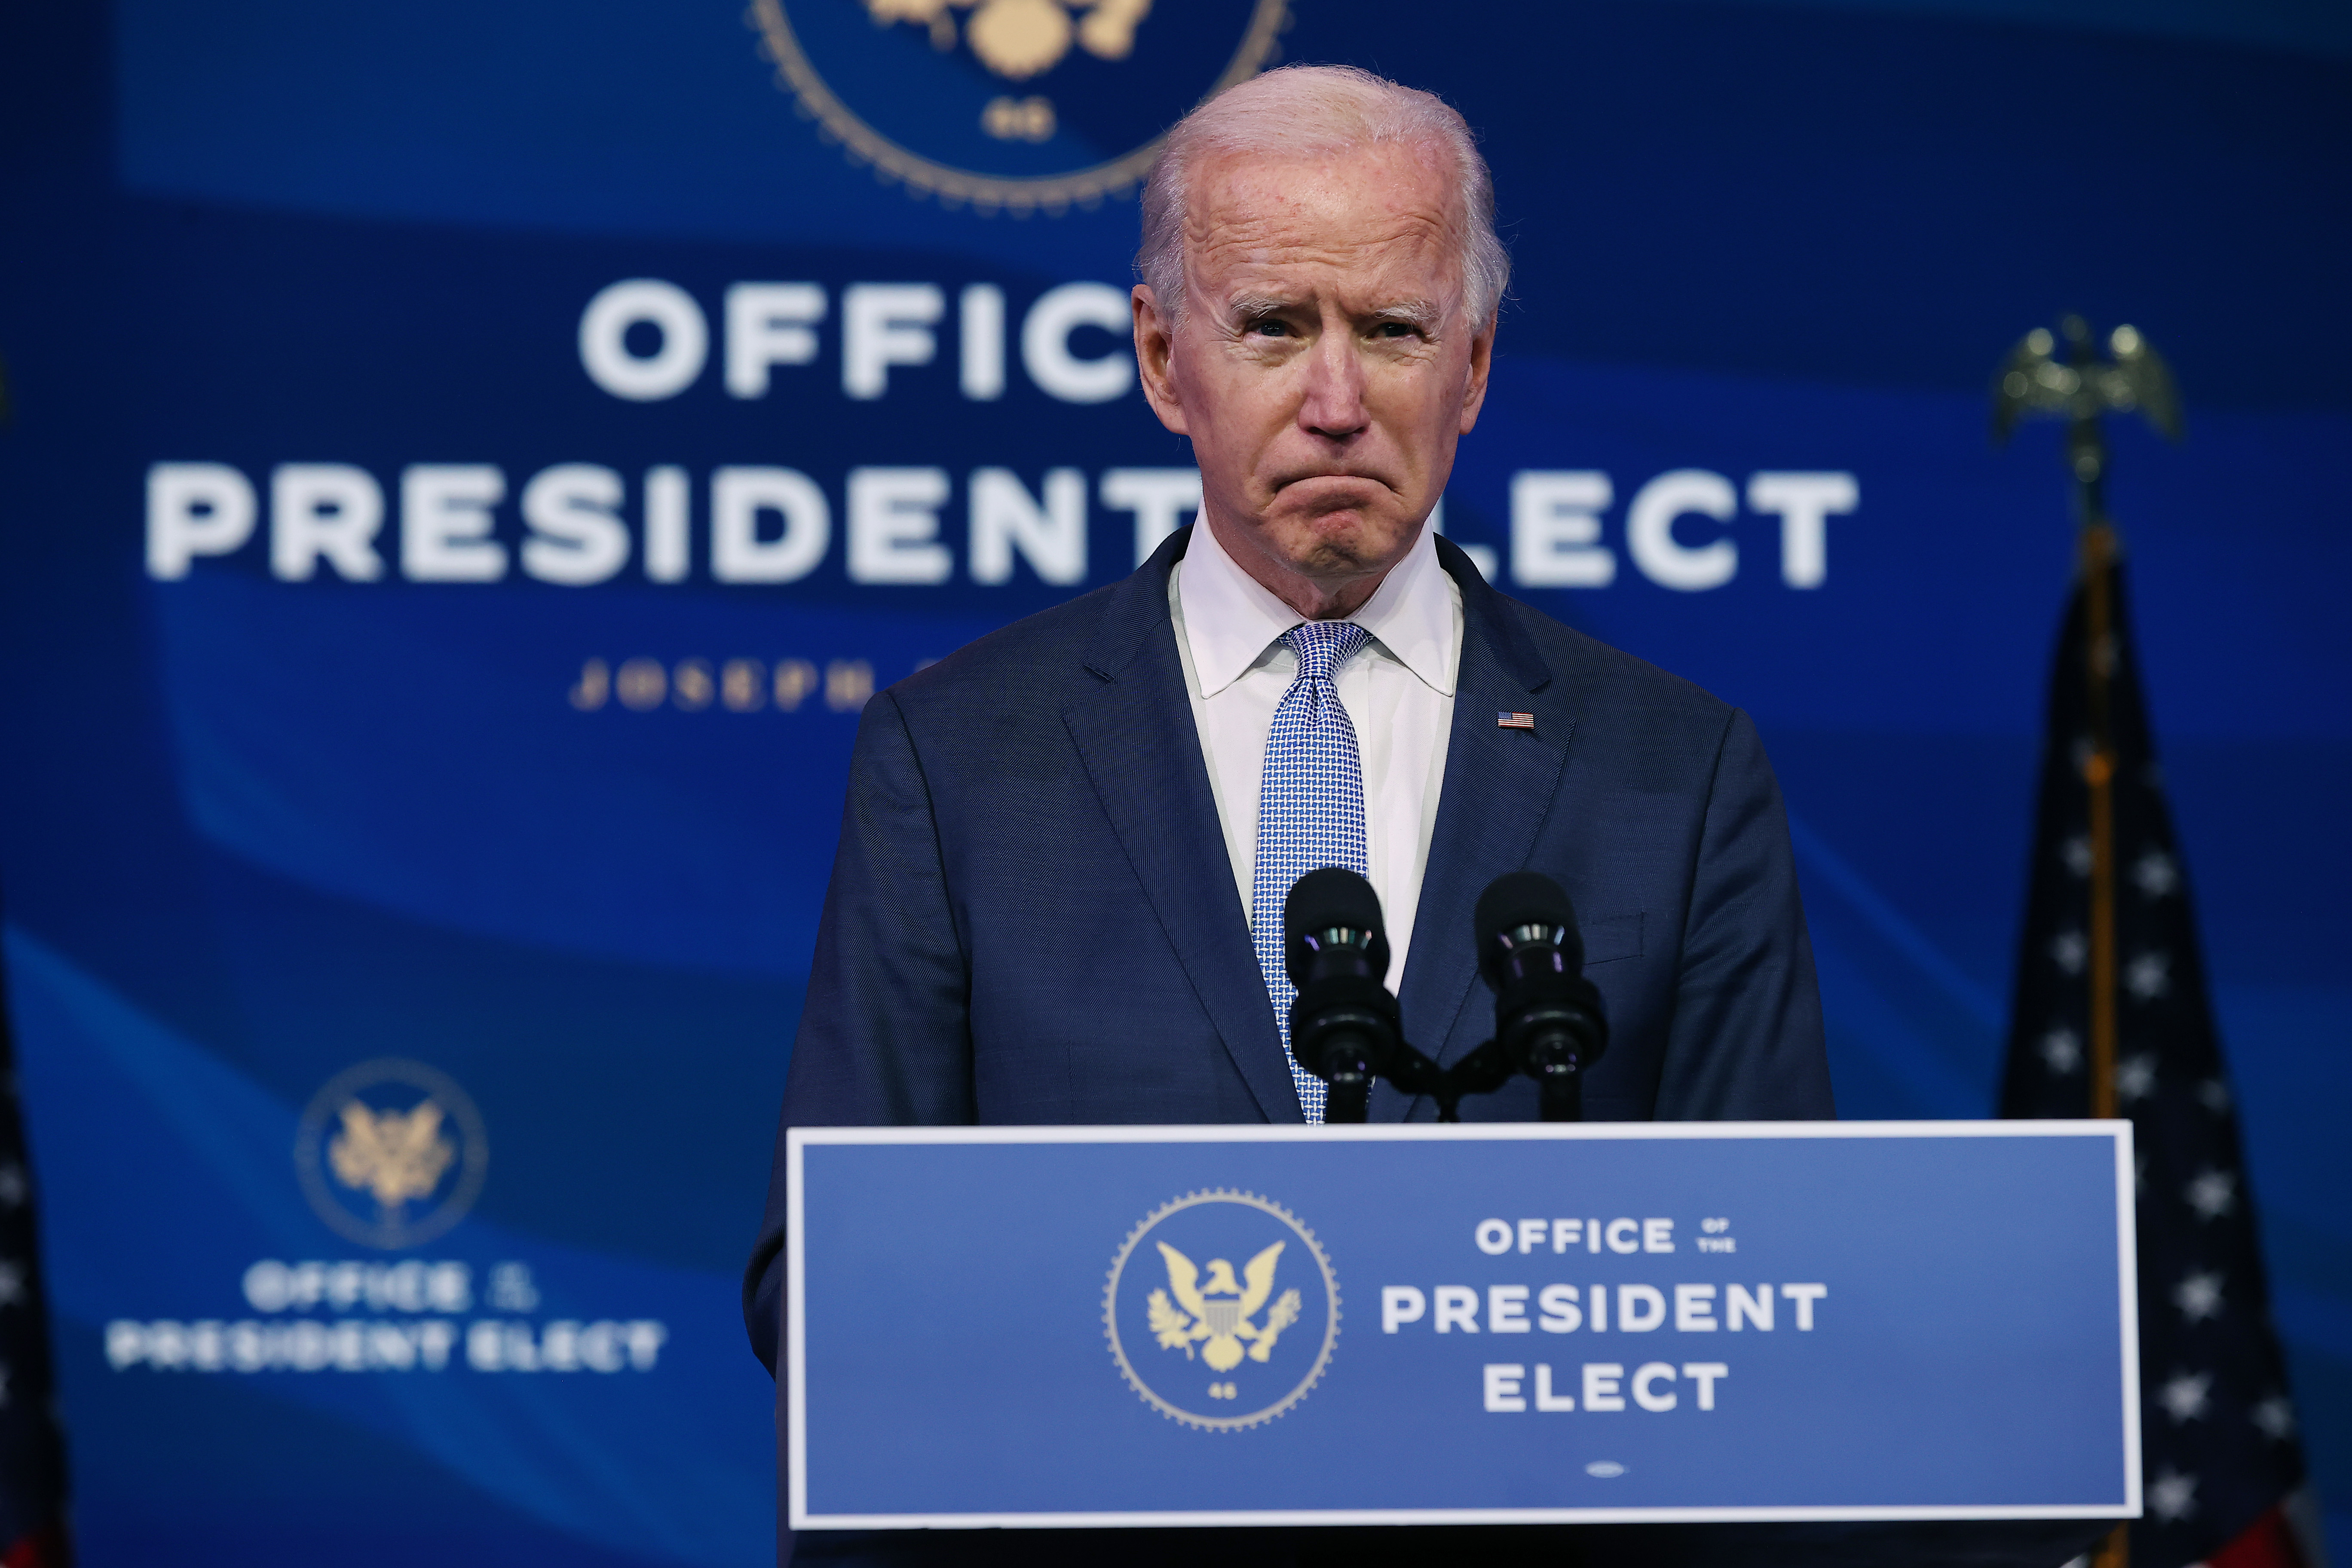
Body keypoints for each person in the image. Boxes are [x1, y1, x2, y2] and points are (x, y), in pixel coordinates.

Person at [747, 62, 1842, 1563]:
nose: (1337, 402)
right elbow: (821, 1286)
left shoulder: (1677, 768)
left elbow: (1772, 1294)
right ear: (1160, 358)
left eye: (1392, 331)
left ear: (1471, 367)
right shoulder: (955, 759)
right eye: (1274, 326)